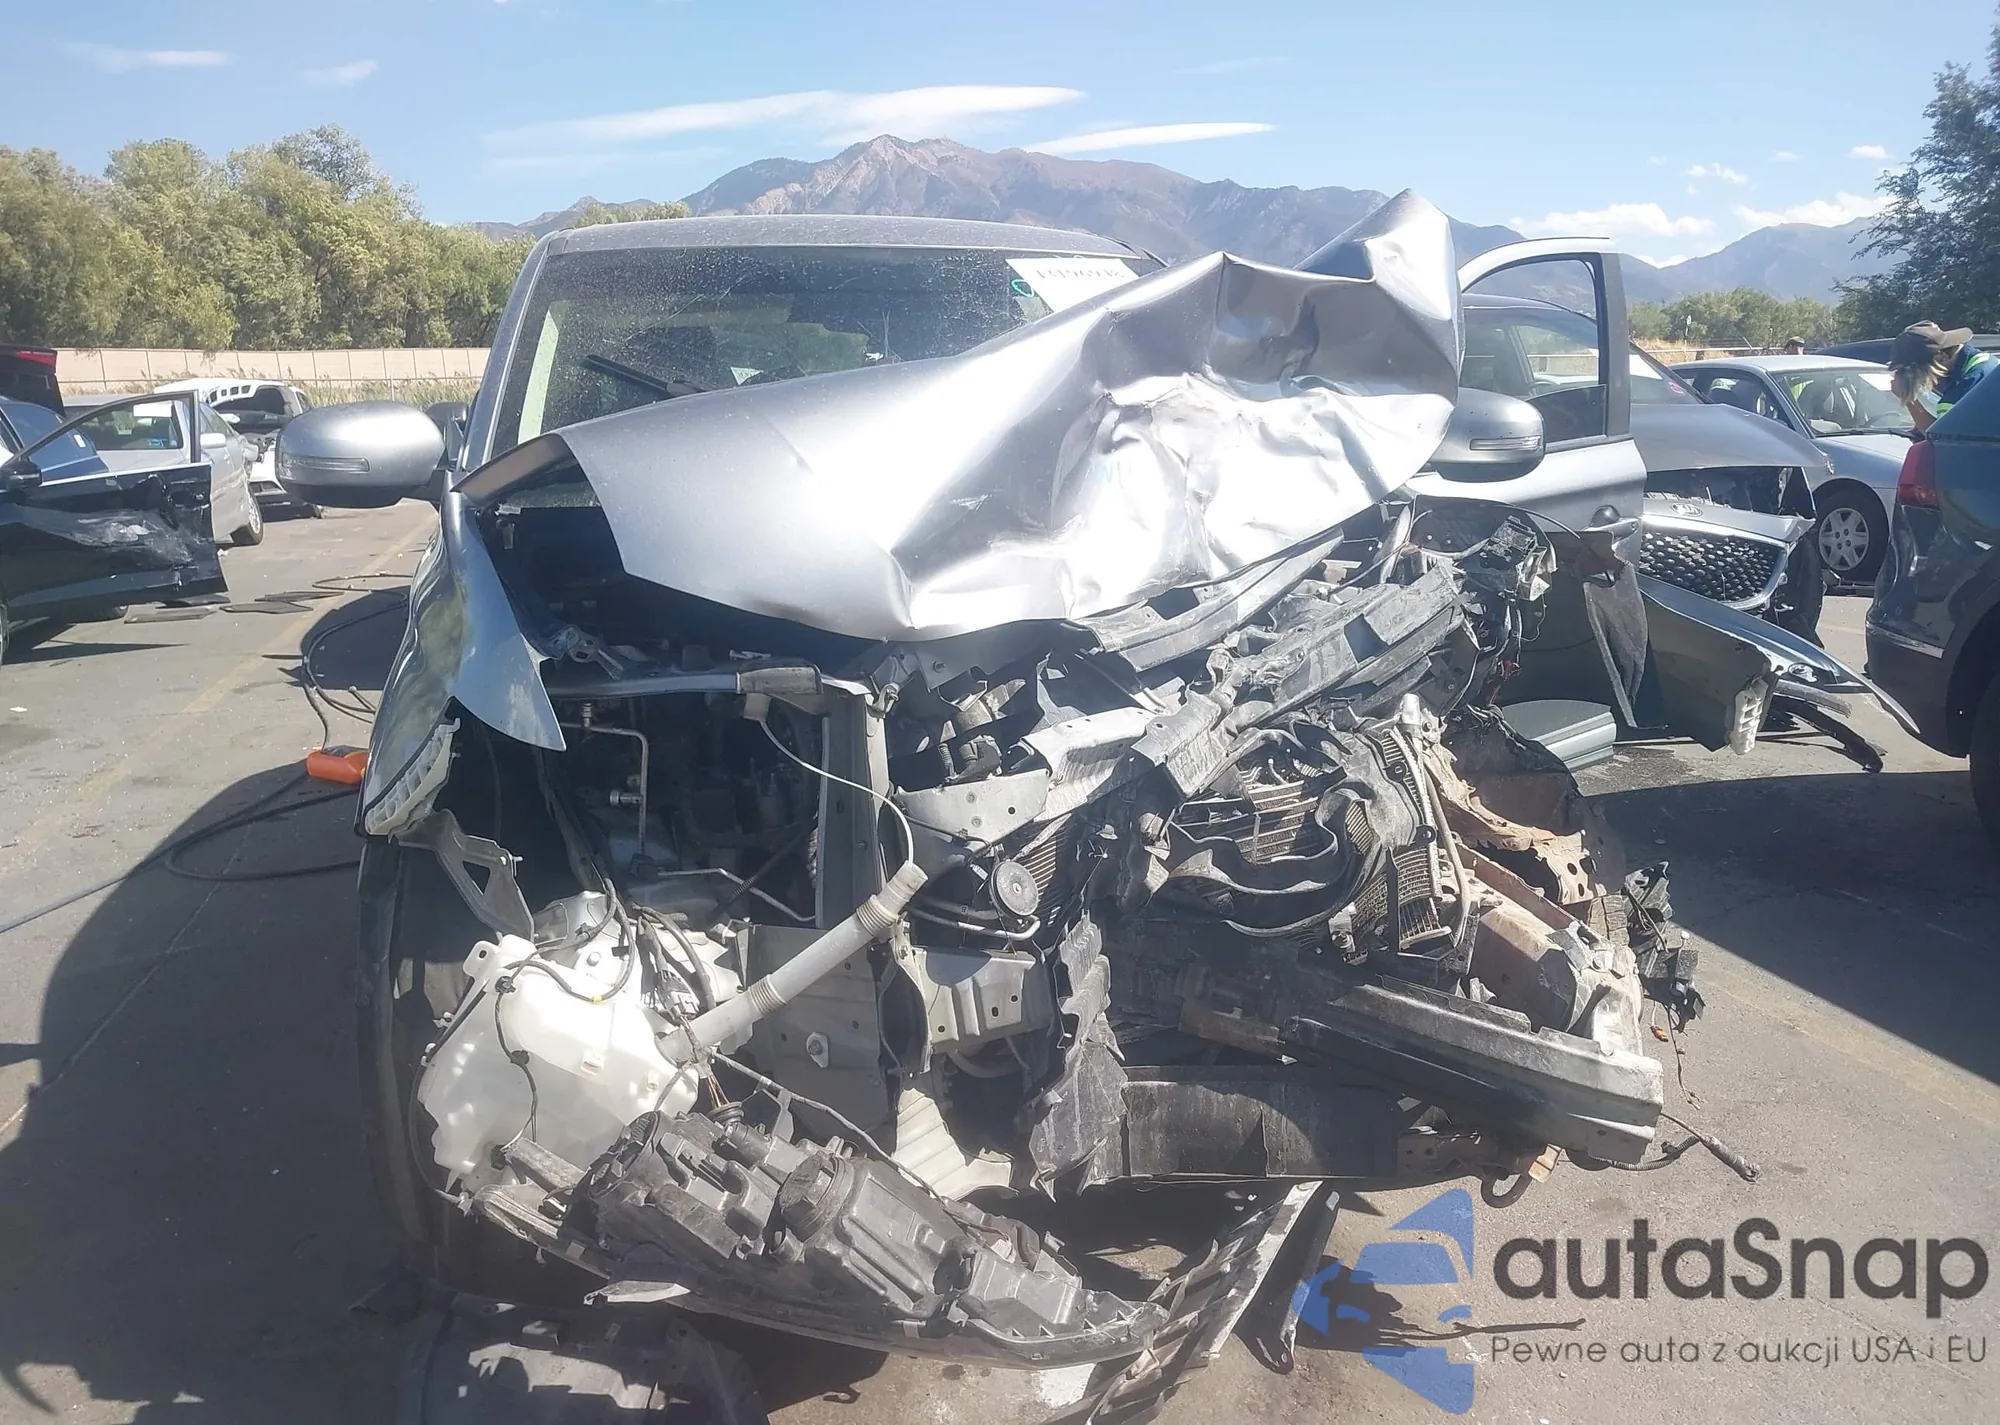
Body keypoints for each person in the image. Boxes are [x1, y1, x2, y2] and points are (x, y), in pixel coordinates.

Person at [1888, 321, 1997, 431]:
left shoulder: (1969, 382)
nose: (1917, 379)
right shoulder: (1981, 366)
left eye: (1915, 371)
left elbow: (1941, 436)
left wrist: (1909, 399)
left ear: (1941, 358)